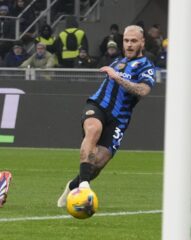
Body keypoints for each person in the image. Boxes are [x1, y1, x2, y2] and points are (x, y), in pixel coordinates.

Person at [57, 25, 156, 207]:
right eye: (126, 40)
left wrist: (117, 77)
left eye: (133, 41)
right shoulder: (117, 62)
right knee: (93, 130)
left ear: (142, 42)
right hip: (97, 105)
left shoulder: (147, 67)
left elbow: (143, 90)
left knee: (98, 163)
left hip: (120, 119)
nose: (129, 44)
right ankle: (85, 186)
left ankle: (73, 185)